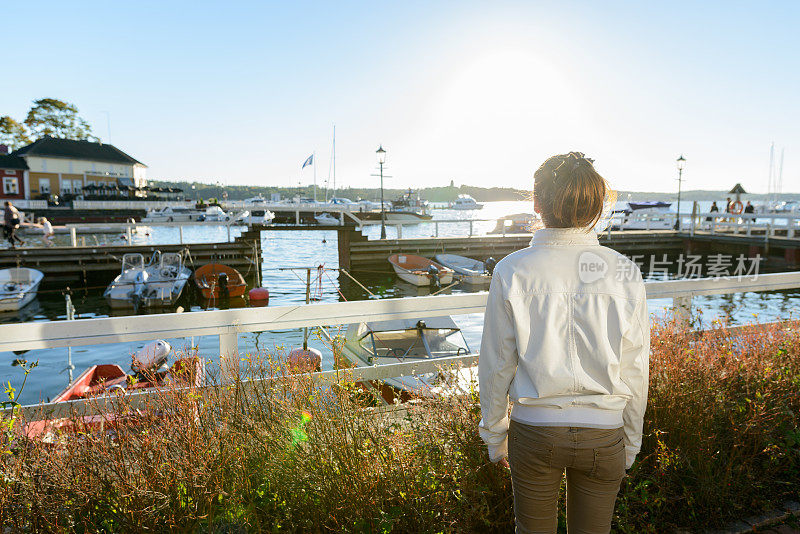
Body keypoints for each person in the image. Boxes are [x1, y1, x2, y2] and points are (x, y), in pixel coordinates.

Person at [479, 152, 650, 534]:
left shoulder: (512, 270)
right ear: (598, 204)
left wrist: (494, 434)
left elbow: (495, 365)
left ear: (537, 202)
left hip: (535, 431)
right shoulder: (624, 271)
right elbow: (635, 368)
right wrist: (631, 441)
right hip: (605, 433)